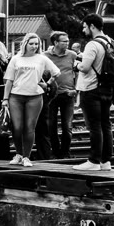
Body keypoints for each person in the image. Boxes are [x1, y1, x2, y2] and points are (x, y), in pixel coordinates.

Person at [2, 32, 60, 167]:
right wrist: (5, 98)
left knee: (30, 127)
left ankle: (26, 157)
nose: (34, 46)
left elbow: (56, 72)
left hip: (35, 96)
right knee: (17, 127)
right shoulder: (16, 59)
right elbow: (9, 80)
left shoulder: (41, 58)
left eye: (36, 44)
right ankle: (18, 154)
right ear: (25, 44)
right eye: (31, 44)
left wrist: (47, 84)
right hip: (16, 96)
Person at [75, 15, 114, 171]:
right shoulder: (112, 43)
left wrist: (76, 64)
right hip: (107, 88)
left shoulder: (92, 44)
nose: (83, 30)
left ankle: (93, 161)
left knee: (94, 126)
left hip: (90, 89)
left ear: (92, 26)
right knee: (106, 124)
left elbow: (85, 68)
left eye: (85, 26)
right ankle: (105, 161)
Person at [43, 31, 79, 159]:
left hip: (68, 94)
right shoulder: (45, 56)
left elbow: (79, 72)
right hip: (51, 96)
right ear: (55, 42)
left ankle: (65, 152)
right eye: (64, 41)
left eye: (68, 41)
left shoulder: (72, 55)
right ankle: (55, 152)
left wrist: (76, 89)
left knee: (67, 126)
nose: (67, 43)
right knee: (51, 125)